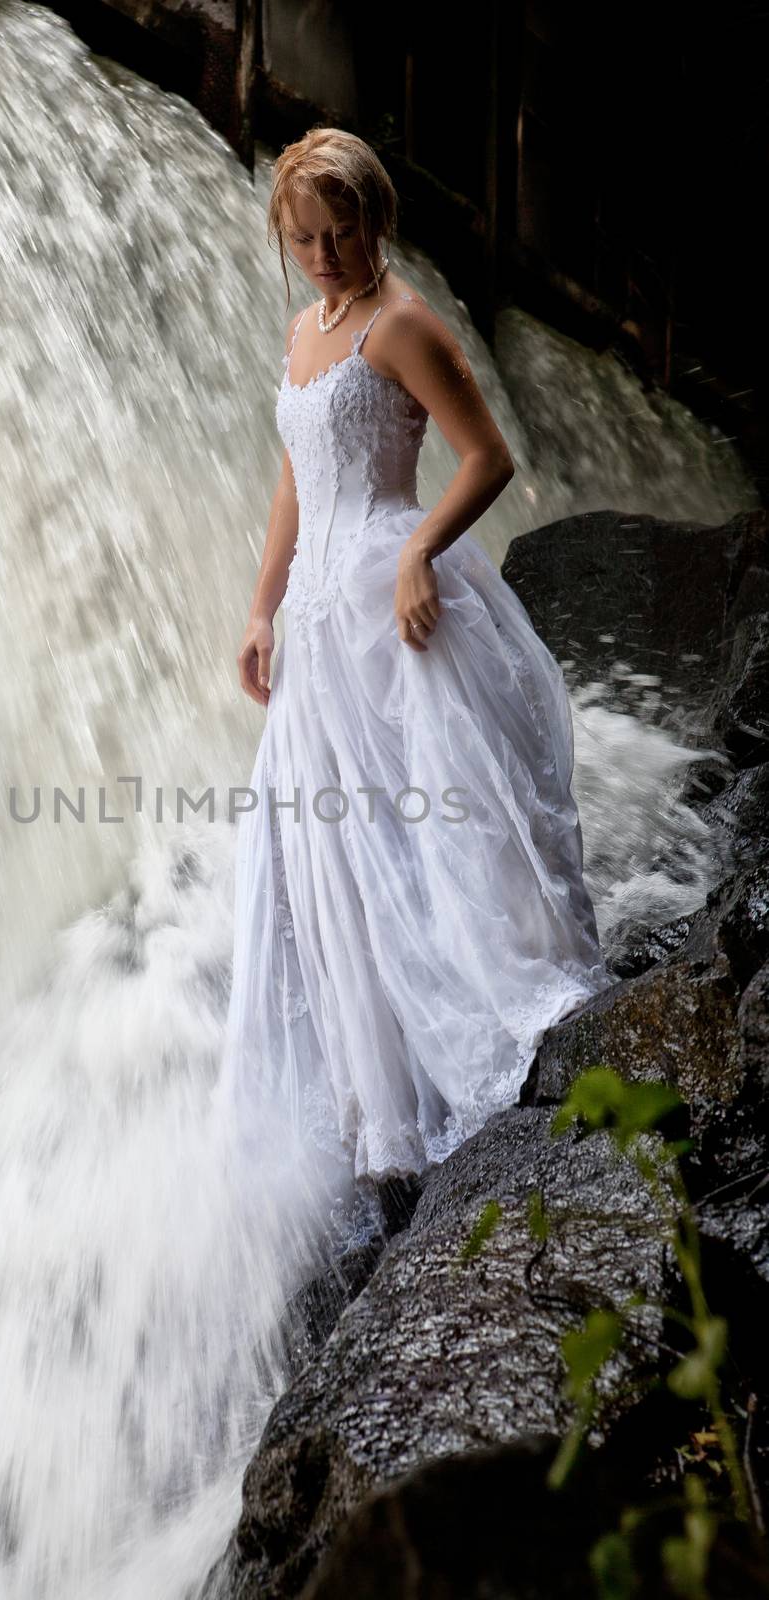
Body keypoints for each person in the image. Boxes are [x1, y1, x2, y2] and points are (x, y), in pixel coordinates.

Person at [215, 126, 614, 1225]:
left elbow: (487, 456)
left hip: (398, 613)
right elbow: (296, 480)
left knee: (437, 830)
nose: (324, 251)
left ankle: (486, 1056)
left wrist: (417, 552)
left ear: (376, 218)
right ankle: (379, 1105)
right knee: (336, 851)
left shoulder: (401, 325)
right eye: (302, 236)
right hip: (316, 631)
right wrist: (259, 608)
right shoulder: (306, 331)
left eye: (340, 230)